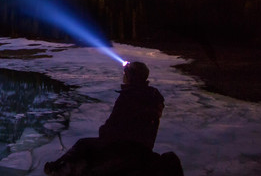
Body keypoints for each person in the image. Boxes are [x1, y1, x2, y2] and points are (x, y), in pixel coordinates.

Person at [44, 61, 182, 176]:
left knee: (83, 144)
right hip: (144, 146)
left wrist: (104, 133)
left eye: (125, 74)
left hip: (121, 146)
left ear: (130, 76)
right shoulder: (153, 97)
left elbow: (115, 124)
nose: (123, 77)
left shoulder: (129, 95)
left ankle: (54, 169)